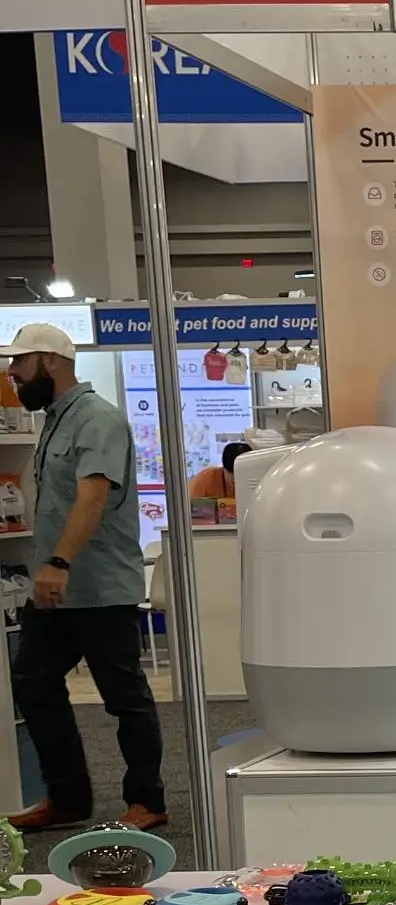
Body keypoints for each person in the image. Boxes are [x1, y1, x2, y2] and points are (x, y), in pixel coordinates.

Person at [6, 322, 166, 834]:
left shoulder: (97, 418)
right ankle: (68, 797)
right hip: (57, 586)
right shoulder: (56, 419)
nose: (12, 371)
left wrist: (59, 563)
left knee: (124, 696)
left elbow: (92, 498)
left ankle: (148, 800)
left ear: (51, 360)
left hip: (97, 586)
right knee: (33, 681)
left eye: (20, 360)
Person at [188, 439, 250, 519]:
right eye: (231, 472)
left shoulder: (257, 481)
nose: (236, 477)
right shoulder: (205, 479)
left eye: (241, 473)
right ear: (223, 467)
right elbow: (189, 513)